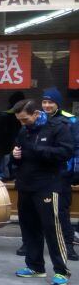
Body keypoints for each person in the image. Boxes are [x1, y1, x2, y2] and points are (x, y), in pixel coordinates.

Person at [12, 98, 72, 285]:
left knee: (52, 229)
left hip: (48, 185)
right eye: (20, 120)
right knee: (29, 228)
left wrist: (38, 149)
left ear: (36, 114)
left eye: (25, 119)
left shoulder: (58, 127)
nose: (23, 123)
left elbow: (65, 152)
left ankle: (62, 271)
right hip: (25, 185)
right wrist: (15, 156)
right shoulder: (24, 131)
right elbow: (20, 154)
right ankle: (35, 266)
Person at [39, 88, 79, 260]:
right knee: (37, 208)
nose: (47, 106)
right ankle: (32, 243)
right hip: (40, 172)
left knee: (61, 210)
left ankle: (68, 246)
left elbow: (76, 148)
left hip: (62, 172)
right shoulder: (38, 118)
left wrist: (75, 171)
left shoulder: (71, 120)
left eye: (51, 102)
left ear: (58, 103)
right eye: (45, 102)